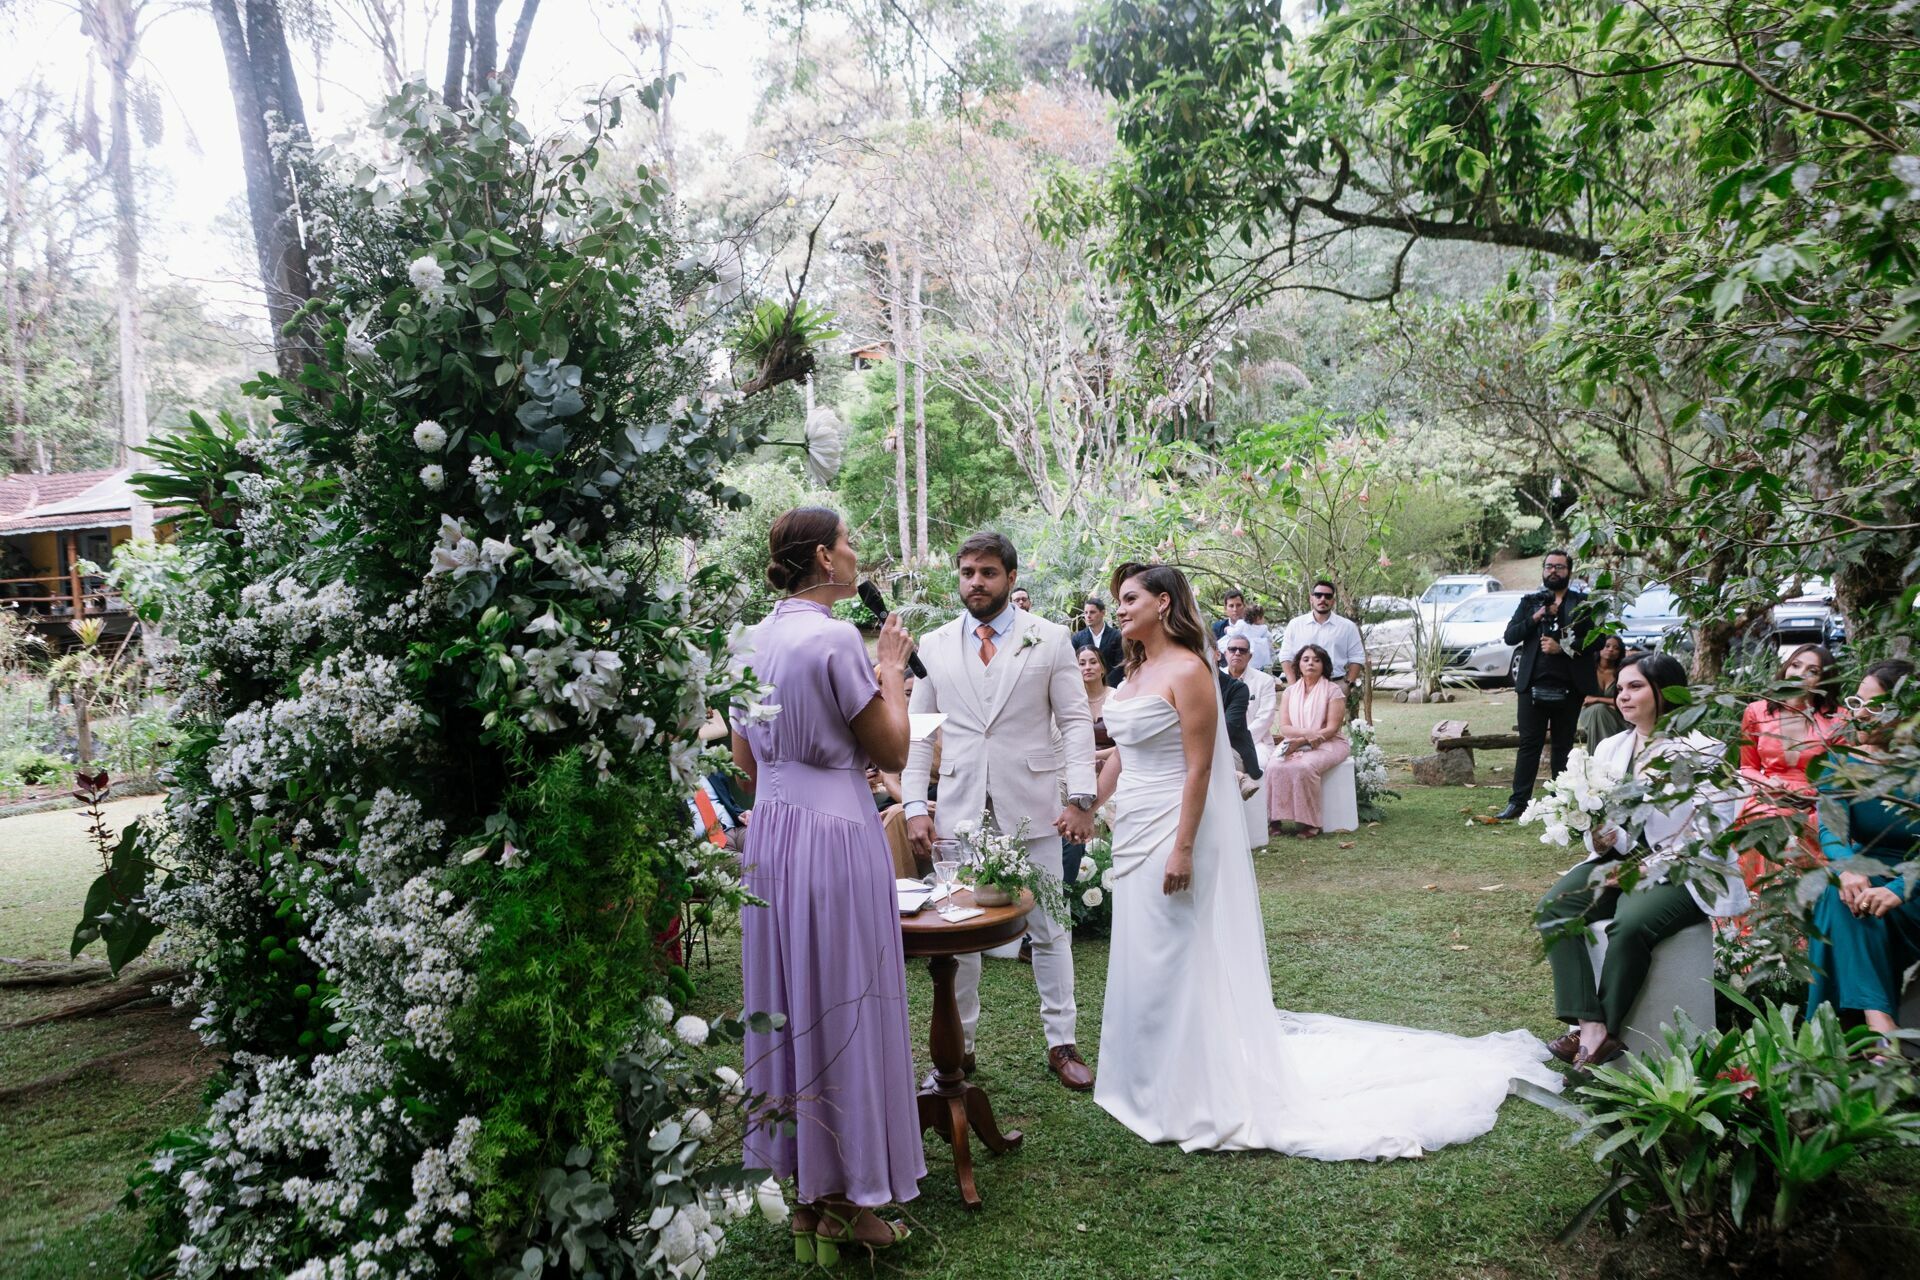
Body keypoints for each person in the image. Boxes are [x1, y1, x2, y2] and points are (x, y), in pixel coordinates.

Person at [1091, 560, 1561, 1158]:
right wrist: (1085, 804)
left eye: (1130, 598)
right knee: (1138, 953)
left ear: (1162, 603)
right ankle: (1142, 1082)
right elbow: (1122, 753)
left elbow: (1202, 766)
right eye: (1118, 599)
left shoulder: (1188, 670)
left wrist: (1183, 845)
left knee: (1175, 954)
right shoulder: (1131, 672)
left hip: (1175, 828)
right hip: (1132, 828)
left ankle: (1191, 1094)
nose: (1120, 608)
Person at [728, 507, 923, 1258]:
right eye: (849, 544)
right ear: (822, 556)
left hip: (771, 829)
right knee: (843, 999)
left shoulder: (749, 640)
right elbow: (895, 749)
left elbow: (745, 762)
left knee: (785, 998)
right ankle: (847, 1199)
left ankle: (808, 1198)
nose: (856, 554)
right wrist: (892, 672)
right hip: (836, 831)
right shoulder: (838, 638)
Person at [901, 531, 1099, 1090]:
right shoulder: (934, 645)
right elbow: (920, 735)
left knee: (1050, 927)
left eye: (988, 573)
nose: (976, 583)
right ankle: (959, 1045)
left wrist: (1081, 796)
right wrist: (916, 804)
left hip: (1033, 806)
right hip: (960, 808)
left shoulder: (1052, 639)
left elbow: (1077, 721)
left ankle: (1062, 1043)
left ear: (1011, 579)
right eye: (967, 573)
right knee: (957, 931)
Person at [1534, 652, 1749, 1069]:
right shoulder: (1613, 747)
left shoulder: (1704, 751)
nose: (1622, 696)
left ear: (1665, 692)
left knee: (1629, 926)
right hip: (1621, 860)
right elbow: (1605, 821)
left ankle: (1600, 1033)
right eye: (1620, 688)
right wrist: (1597, 838)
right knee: (1555, 910)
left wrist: (1648, 867)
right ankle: (1591, 1024)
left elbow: (1713, 830)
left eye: (1635, 687)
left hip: (1686, 870)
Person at [1808, 660, 1920, 1040]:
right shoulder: (1840, 763)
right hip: (1868, 869)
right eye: (1856, 703)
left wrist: (1900, 888)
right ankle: (1880, 1024)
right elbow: (1832, 831)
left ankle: (1832, 1033)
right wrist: (1847, 868)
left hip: (1914, 881)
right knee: (1839, 894)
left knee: (1839, 905)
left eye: (1875, 707)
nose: (1860, 714)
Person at [1495, 551, 1600, 822]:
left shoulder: (1583, 604)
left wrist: (1562, 647)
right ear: (1543, 570)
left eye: (1560, 567)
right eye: (1549, 566)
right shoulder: (1530, 602)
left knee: (1562, 747)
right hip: (1531, 687)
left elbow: (1597, 642)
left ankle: (1560, 802)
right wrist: (1536, 617)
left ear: (1569, 572)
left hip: (1569, 687)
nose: (1554, 571)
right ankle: (1518, 802)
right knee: (1529, 745)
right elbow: (1510, 636)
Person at [1734, 643, 1847, 883]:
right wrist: (1768, 782)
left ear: (1824, 681)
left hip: (1818, 799)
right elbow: (1747, 768)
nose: (1799, 674)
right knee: (1764, 817)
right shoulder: (1757, 711)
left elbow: (1842, 775)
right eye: (1795, 665)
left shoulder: (1839, 717)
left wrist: (1813, 795)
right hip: (1770, 794)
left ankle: (1810, 905)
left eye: (1812, 671)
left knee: (1812, 823)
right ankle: (1762, 906)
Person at [1266, 644, 1352, 838]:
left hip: (1330, 742)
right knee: (1274, 766)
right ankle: (1275, 819)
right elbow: (1285, 727)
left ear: (1324, 665)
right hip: (1295, 739)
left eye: (1316, 659)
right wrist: (1304, 736)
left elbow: (1332, 728)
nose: (1310, 663)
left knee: (1304, 767)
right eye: (1306, 659)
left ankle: (1309, 822)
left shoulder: (1333, 690)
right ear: (1298, 665)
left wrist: (1304, 740)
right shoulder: (1290, 692)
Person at [1279, 580, 1366, 687]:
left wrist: (1348, 684)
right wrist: (1293, 686)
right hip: (1302, 684)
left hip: (1336, 684)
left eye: (1328, 596)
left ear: (1333, 601)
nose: (1323, 599)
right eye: (1318, 595)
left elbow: (1357, 657)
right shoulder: (1295, 624)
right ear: (1311, 599)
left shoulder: (1348, 627)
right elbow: (1285, 656)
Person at [1222, 635, 1278, 764]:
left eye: (1242, 650)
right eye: (1232, 649)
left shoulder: (1264, 681)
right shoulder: (1213, 679)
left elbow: (1265, 717)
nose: (1237, 653)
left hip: (1255, 742)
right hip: (1220, 741)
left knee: (1260, 764)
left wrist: (1240, 740)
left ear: (1250, 656)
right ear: (1225, 653)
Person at [1578, 635, 1630, 746]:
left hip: (1616, 713)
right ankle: (1607, 755)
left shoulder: (1622, 673)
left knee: (1600, 709)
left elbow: (1625, 699)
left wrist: (1596, 699)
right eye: (1607, 646)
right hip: (1588, 713)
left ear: (1620, 653)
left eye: (1616, 648)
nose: (1611, 649)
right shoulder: (1587, 669)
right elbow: (1582, 698)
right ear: (1599, 648)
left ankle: (1599, 756)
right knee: (1599, 710)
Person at [1073, 596, 1125, 689]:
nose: (1088, 616)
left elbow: (1121, 664)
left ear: (1103, 613)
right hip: (1085, 689)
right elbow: (1073, 665)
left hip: (1112, 688)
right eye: (1085, 613)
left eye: (1092, 612)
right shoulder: (1077, 638)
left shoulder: (1117, 636)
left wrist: (1105, 686)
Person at [1240, 603, 1276, 673]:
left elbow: (1234, 633)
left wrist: (1227, 630)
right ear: (1258, 618)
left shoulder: (1243, 627)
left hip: (1246, 657)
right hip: (1261, 659)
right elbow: (1270, 642)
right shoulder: (1264, 630)